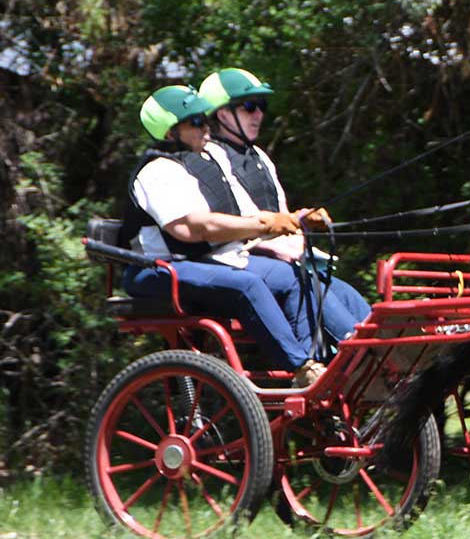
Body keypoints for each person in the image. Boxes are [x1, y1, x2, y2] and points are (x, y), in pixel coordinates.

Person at [121, 85, 326, 387]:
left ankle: (314, 363)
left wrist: (294, 219)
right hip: (158, 269)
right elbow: (192, 228)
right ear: (169, 133)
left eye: (205, 119)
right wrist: (264, 224)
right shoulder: (157, 172)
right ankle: (301, 368)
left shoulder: (202, 164)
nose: (206, 127)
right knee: (247, 285)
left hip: (203, 262)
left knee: (294, 276)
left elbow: (235, 215)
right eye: (195, 122)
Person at [197, 67, 371, 358]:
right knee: (309, 284)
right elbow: (239, 219)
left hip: (278, 256)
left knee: (342, 292)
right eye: (250, 106)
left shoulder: (259, 157)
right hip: (237, 259)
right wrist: (276, 225)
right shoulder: (209, 158)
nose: (259, 115)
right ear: (223, 115)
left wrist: (300, 219)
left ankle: (378, 344)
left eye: (261, 107)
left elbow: (279, 213)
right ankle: (360, 352)